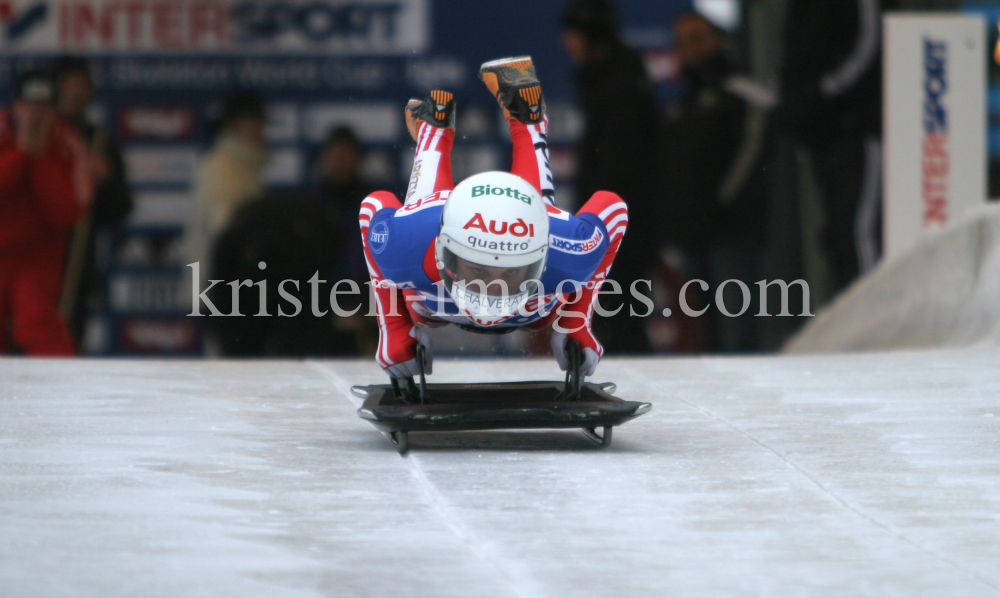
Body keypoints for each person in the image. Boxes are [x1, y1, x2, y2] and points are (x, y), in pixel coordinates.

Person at [359, 57, 629, 379]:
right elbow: (611, 208)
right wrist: (575, 322)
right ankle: (499, 126)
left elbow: (373, 208)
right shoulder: (411, 242)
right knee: (531, 224)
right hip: (439, 224)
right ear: (445, 254)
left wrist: (395, 330)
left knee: (530, 212)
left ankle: (435, 127)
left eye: (511, 271)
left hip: (452, 260)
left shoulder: (561, 248)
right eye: (477, 270)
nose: (493, 289)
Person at [778, 0, 902, 293]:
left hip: (857, 126)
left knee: (858, 229)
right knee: (837, 235)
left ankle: (873, 315)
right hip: (824, 129)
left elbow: (869, 44)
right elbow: (796, 53)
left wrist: (820, 92)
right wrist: (794, 98)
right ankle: (851, 318)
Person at [663, 11, 769, 352]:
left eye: (698, 38)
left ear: (719, 39)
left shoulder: (741, 92)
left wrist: (722, 205)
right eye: (683, 41)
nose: (691, 48)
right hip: (692, 234)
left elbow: (754, 152)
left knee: (738, 328)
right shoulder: (682, 104)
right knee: (704, 332)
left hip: (732, 230)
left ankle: (751, 401)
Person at [560, 0, 658, 355]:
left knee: (619, 317)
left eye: (571, 34)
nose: (565, 43)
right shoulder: (614, 78)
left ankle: (622, 379)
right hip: (619, 223)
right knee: (616, 316)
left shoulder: (618, 86)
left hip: (620, 228)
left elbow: (619, 170)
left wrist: (599, 227)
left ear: (590, 35)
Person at [0, 70, 92, 355]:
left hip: (38, 261)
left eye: (43, 109)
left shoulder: (69, 145)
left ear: (55, 114)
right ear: (15, 108)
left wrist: (38, 160)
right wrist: (21, 155)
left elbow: (68, 212)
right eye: (28, 108)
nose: (35, 116)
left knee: (38, 327)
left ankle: (65, 395)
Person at [52, 56, 133, 346]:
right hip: (33, 260)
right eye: (68, 85)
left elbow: (121, 207)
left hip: (77, 264)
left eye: (81, 86)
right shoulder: (37, 137)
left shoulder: (98, 141)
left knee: (69, 344)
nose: (75, 92)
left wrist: (105, 181)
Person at [185, 88, 268, 291]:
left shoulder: (241, 167)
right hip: (223, 289)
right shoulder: (223, 168)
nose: (260, 130)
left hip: (232, 288)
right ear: (232, 126)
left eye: (259, 122)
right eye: (251, 122)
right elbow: (225, 230)